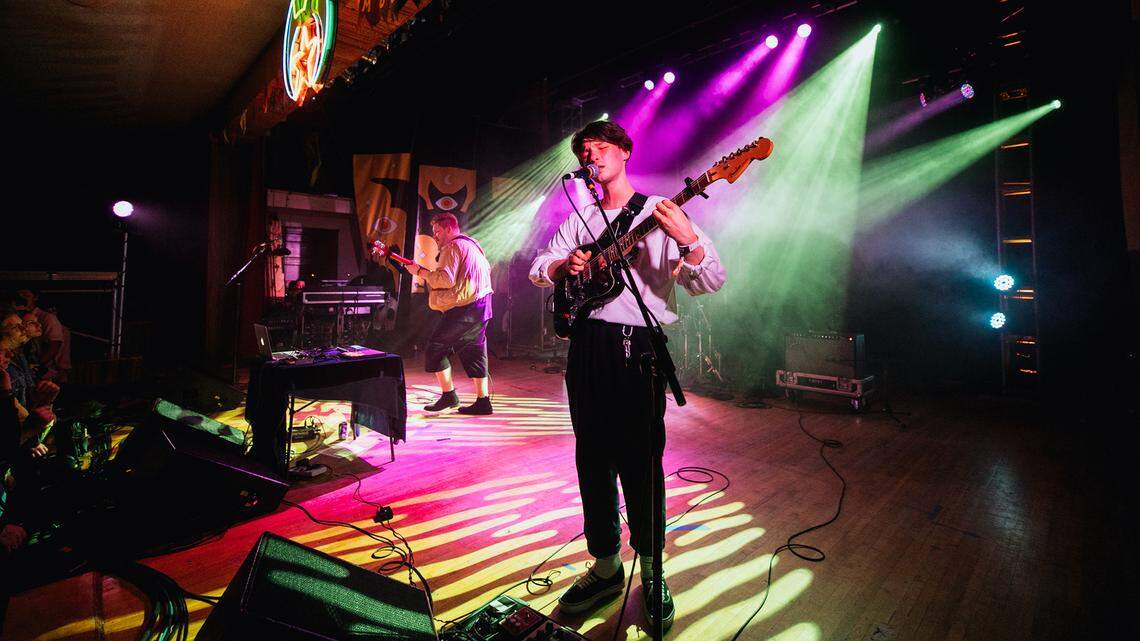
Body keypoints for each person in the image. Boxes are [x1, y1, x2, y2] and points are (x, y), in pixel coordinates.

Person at [529, 120, 726, 631]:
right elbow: (539, 264)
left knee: (641, 460)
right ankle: (605, 566)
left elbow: (711, 280)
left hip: (637, 347)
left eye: (599, 148)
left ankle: (653, 569)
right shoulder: (581, 217)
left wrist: (689, 241)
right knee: (591, 458)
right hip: (586, 346)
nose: (590, 156)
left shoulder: (660, 210)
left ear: (624, 152)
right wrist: (564, 268)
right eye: (583, 151)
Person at [405, 213, 495, 415]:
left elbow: (445, 279)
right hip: (482, 305)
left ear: (449, 229)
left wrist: (419, 272)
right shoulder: (472, 245)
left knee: (435, 348)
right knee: (474, 351)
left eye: (437, 231)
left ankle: (449, 395)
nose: (435, 236)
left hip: (467, 308)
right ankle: (483, 402)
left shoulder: (453, 246)